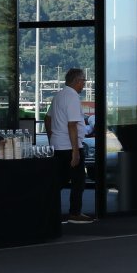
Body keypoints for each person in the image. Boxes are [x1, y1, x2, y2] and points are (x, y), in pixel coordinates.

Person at [48, 68, 94, 224]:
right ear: (77, 81)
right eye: (83, 81)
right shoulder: (72, 97)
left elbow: (48, 119)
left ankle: (48, 210)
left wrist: (51, 137)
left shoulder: (59, 96)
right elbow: (72, 125)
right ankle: (74, 213)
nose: (84, 84)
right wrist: (76, 151)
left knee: (60, 180)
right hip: (69, 146)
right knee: (78, 182)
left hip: (58, 145)